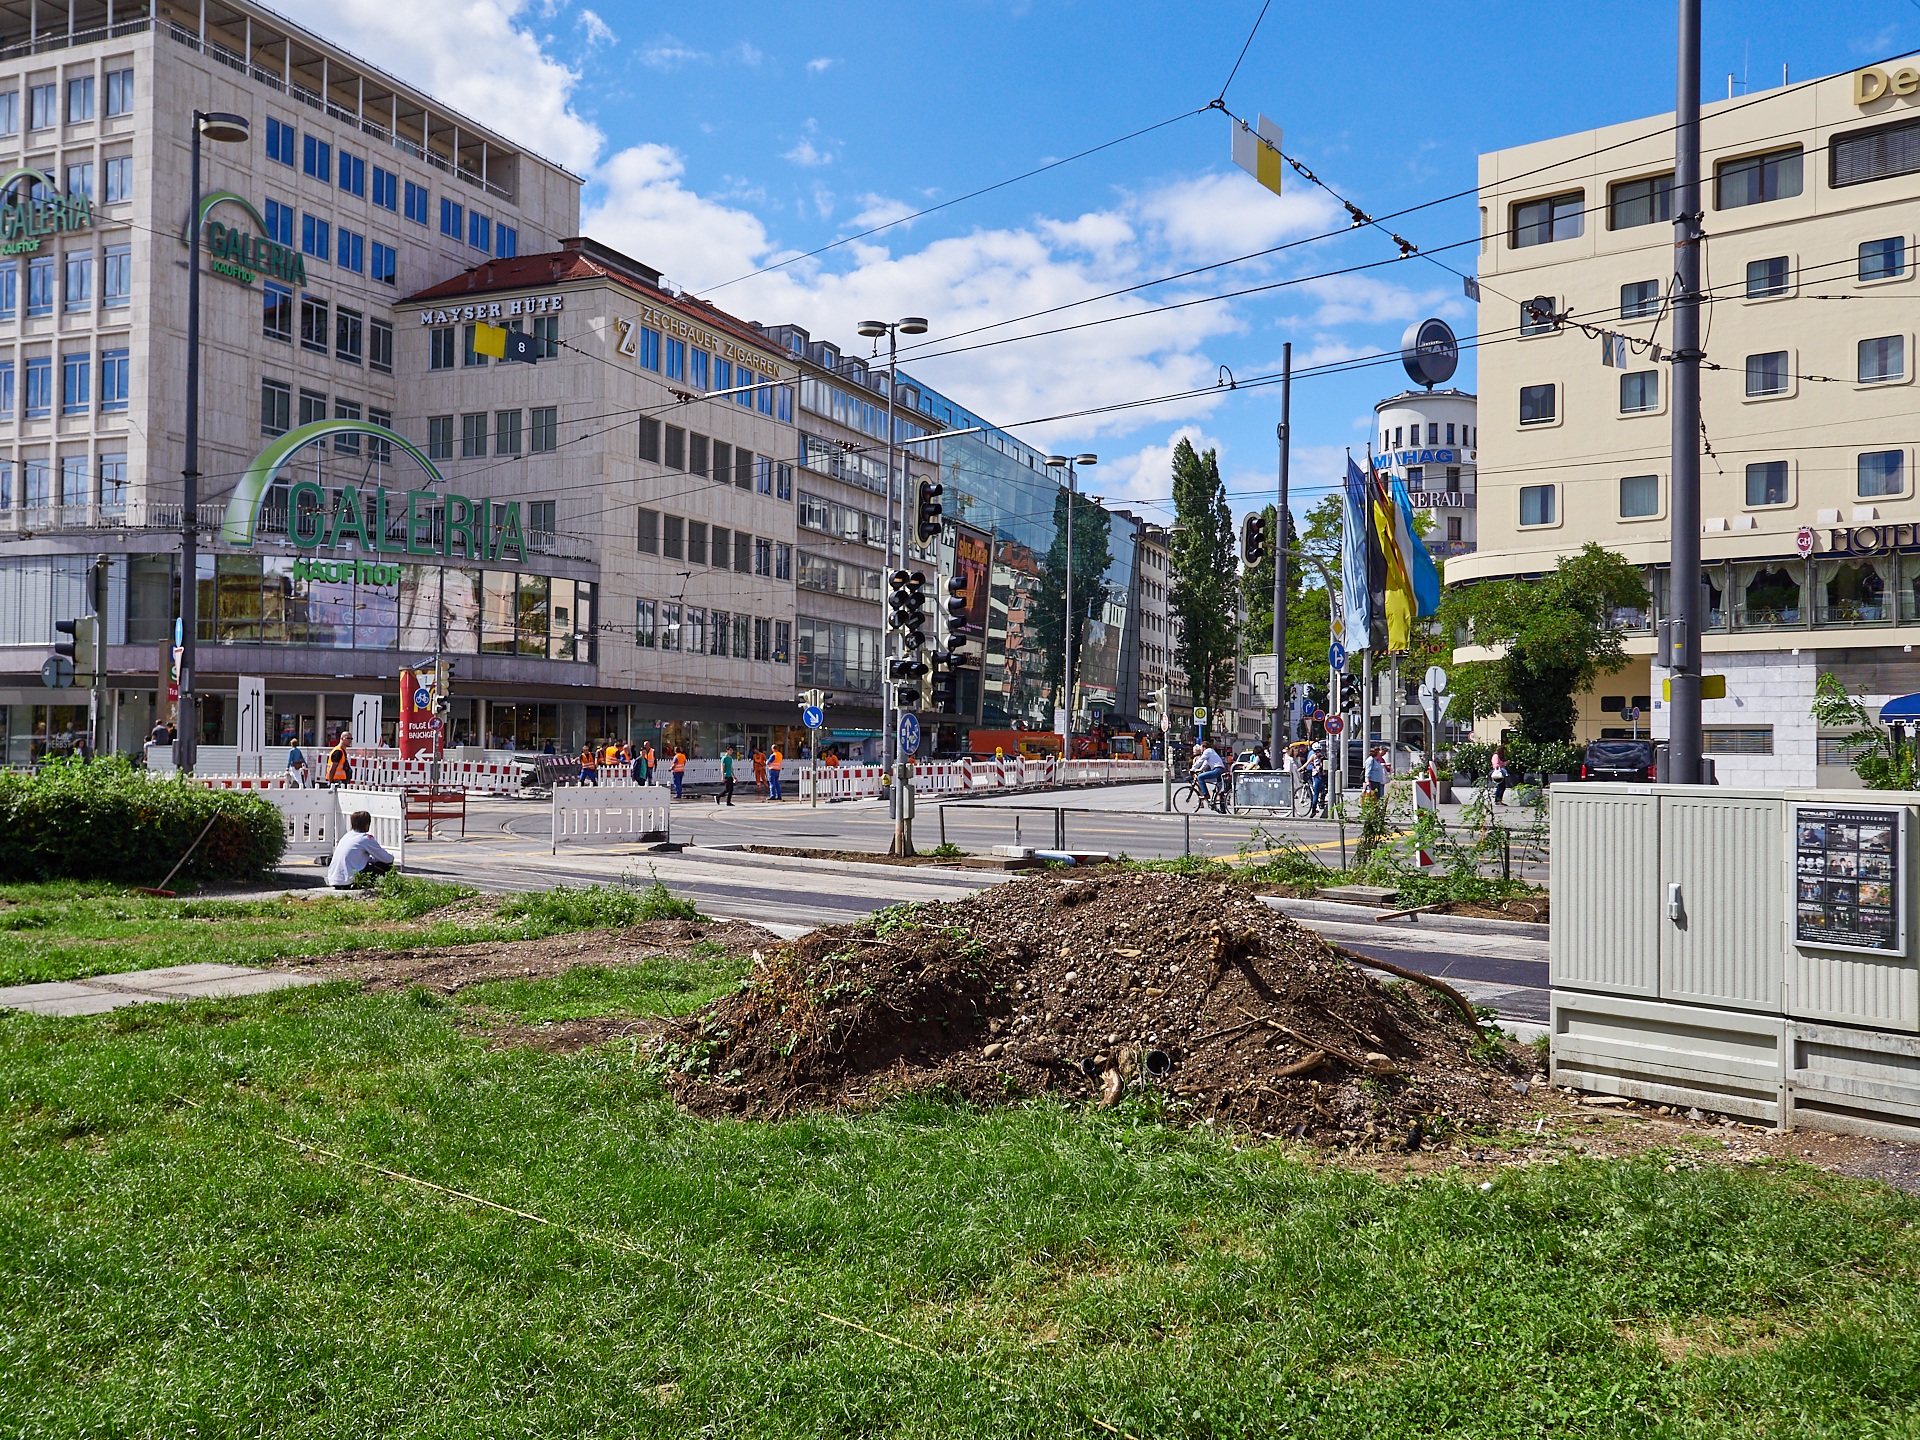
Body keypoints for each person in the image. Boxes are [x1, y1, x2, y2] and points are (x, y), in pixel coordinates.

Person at [327, 810, 394, 889]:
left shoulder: (347, 836)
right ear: (367, 824)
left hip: (334, 880)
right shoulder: (366, 839)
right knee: (386, 866)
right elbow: (387, 859)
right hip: (348, 881)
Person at [1193, 741, 1226, 808]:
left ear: (1204, 747)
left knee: (1200, 777)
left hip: (1217, 770)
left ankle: (1206, 794)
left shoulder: (1207, 751)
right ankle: (1222, 808)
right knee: (1219, 790)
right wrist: (1200, 769)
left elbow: (1201, 760)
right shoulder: (1211, 751)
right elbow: (1205, 763)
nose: (1200, 749)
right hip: (1220, 770)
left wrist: (1192, 769)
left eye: (1201, 747)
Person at [1307, 745, 1328, 818]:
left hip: (1316, 776)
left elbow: (1307, 764)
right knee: (1320, 791)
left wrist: (1300, 769)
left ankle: (1313, 810)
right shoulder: (1323, 756)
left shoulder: (1313, 756)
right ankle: (1321, 802)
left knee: (1315, 794)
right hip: (1322, 776)